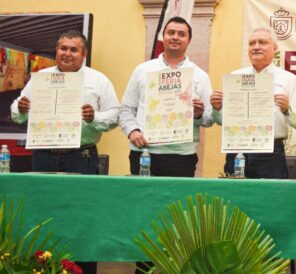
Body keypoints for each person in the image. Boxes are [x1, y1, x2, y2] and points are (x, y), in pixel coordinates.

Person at [11, 30, 119, 274]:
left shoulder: (98, 80)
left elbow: (114, 116)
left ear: (84, 54)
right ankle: (42, 270)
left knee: (83, 219)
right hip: (43, 155)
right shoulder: (40, 78)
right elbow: (17, 113)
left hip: (80, 157)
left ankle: (84, 270)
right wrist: (21, 106)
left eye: (73, 49)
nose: (67, 53)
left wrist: (94, 117)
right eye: (63, 48)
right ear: (56, 50)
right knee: (43, 215)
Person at [119, 16, 213, 177]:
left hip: (181, 156)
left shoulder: (200, 76)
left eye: (181, 34)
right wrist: (132, 131)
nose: (175, 37)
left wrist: (198, 115)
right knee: (142, 200)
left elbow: (210, 118)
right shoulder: (142, 70)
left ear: (189, 40)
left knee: (177, 202)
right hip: (144, 152)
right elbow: (126, 109)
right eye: (171, 32)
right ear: (163, 37)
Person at [210, 27, 296, 179]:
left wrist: (286, 110)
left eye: (263, 42)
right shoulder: (235, 78)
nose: (256, 46)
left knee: (271, 199)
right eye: (252, 43)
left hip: (271, 152)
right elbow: (222, 122)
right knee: (234, 199)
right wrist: (217, 109)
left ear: (275, 48)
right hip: (237, 149)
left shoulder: (288, 79)